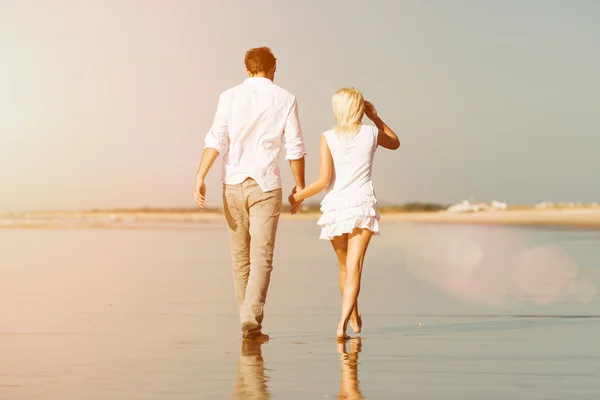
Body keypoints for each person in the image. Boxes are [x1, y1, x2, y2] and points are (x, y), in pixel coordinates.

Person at [194, 46, 306, 340]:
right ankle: (250, 319)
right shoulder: (285, 98)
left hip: (231, 183)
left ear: (247, 69)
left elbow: (217, 138)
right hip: (265, 184)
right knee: (261, 257)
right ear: (274, 68)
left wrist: (200, 175)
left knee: (240, 258)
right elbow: (294, 146)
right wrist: (300, 186)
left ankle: (248, 322)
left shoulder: (228, 96)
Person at [288, 88, 400, 340]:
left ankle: (350, 316)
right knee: (354, 267)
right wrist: (376, 117)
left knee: (343, 268)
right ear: (360, 107)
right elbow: (395, 142)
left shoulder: (328, 137)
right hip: (361, 206)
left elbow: (323, 180)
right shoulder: (372, 133)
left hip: (336, 209)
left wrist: (297, 196)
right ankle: (344, 322)